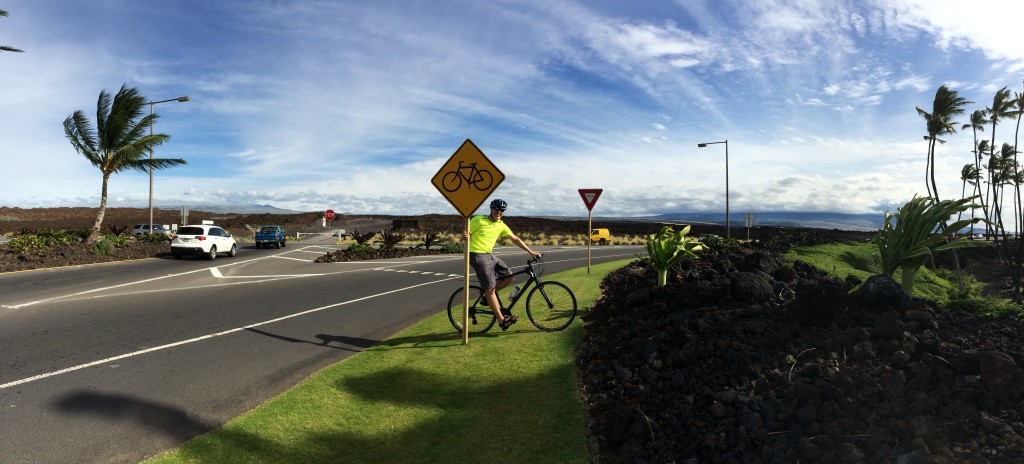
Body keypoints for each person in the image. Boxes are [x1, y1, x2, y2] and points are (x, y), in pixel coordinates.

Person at [464, 198, 542, 331]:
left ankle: (485, 299)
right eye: (497, 209)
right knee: (491, 289)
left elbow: (515, 239)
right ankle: (502, 321)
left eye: (502, 210)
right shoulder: (478, 220)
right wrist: (466, 235)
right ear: (491, 208)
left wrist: (531, 252)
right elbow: (468, 232)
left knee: (509, 277)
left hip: (489, 255)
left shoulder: (501, 224)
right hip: (476, 255)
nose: (499, 212)